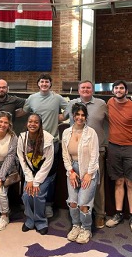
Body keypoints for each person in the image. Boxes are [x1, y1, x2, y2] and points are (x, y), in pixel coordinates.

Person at [64, 80, 107, 229]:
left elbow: (113, 121)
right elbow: (62, 118)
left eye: (89, 87)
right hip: (75, 152)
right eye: (83, 87)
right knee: (76, 189)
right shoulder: (71, 104)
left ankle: (100, 215)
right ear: (78, 89)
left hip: (96, 151)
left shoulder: (102, 104)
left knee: (97, 184)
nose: (86, 90)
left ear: (93, 89)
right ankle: (78, 218)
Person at [22, 73, 67, 217]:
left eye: (47, 82)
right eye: (42, 82)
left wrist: (61, 117)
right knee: (31, 172)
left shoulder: (57, 98)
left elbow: (70, 109)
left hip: (52, 142)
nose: (44, 84)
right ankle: (30, 203)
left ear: (50, 84)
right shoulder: (32, 98)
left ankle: (48, 204)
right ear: (38, 84)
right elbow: (25, 112)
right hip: (34, 142)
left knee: (50, 176)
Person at [105, 80, 132, 234]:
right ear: (112, 90)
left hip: (131, 149)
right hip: (114, 147)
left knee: (130, 182)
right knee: (118, 181)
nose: (119, 90)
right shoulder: (109, 103)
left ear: (126, 91)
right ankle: (118, 214)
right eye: (116, 88)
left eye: (121, 88)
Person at [62, 103, 99, 244]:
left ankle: (86, 228)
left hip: (88, 170)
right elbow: (65, 156)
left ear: (86, 117)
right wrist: (70, 171)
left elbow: (95, 156)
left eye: (83, 115)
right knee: (72, 202)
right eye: (77, 114)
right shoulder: (66, 133)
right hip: (72, 170)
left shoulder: (91, 133)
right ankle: (76, 225)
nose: (80, 117)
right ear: (73, 116)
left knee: (83, 203)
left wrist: (89, 174)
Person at [17, 113, 54, 235]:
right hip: (30, 173)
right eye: (30, 121)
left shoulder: (48, 139)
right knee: (27, 195)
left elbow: (48, 163)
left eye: (36, 122)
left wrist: (36, 182)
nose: (32, 124)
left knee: (37, 194)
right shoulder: (22, 138)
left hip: (45, 173)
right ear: (27, 123)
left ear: (40, 124)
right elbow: (22, 160)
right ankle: (30, 219)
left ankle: (40, 221)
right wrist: (30, 179)